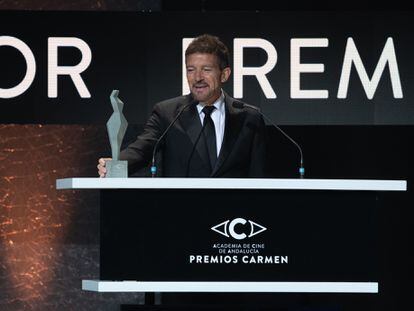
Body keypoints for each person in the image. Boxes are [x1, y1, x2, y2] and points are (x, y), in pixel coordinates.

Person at [98, 34, 266, 178]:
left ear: (224, 74)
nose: (197, 77)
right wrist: (116, 163)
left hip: (234, 213)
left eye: (206, 69)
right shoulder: (168, 113)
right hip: (182, 210)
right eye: (191, 70)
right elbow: (142, 149)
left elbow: (259, 175)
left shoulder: (249, 117)